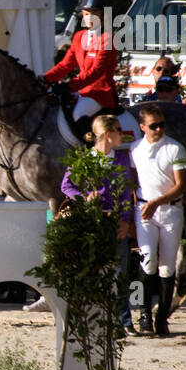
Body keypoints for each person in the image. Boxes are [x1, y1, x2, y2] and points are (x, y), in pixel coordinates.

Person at [60, 114, 137, 333]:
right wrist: (84, 197)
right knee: (91, 269)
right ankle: (90, 317)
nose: (123, 134)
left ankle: (124, 320)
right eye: (119, 130)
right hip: (93, 219)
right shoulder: (86, 158)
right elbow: (67, 186)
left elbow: (126, 193)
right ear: (107, 134)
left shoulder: (122, 158)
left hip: (115, 220)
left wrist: (125, 221)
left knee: (120, 271)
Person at [131, 103, 186, 336]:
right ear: (143, 127)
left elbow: (181, 185)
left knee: (167, 265)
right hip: (144, 209)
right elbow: (133, 181)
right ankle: (144, 314)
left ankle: (162, 316)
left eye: (162, 124)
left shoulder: (175, 148)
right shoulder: (135, 149)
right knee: (147, 261)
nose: (159, 129)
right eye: (154, 126)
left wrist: (157, 202)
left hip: (169, 210)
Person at [43, 0, 119, 134]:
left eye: (94, 13)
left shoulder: (108, 38)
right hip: (82, 90)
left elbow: (96, 72)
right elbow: (65, 64)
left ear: (102, 15)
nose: (89, 17)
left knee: (78, 114)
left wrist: (70, 85)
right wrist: (45, 79)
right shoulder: (79, 37)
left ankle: (92, 152)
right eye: (86, 13)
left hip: (100, 92)